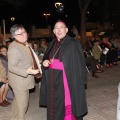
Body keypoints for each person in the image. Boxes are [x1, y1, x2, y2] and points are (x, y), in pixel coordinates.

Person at [39, 21, 88, 120]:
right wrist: (45, 62)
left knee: (66, 103)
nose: (59, 29)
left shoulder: (73, 43)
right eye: (56, 28)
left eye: (61, 27)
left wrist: (81, 82)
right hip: (53, 82)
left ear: (66, 30)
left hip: (66, 81)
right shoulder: (52, 43)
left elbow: (80, 65)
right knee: (54, 105)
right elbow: (46, 57)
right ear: (53, 31)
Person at [8, 24, 42, 120]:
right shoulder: (14, 48)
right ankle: (21, 118)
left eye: (25, 32)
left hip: (22, 80)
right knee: (23, 103)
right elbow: (11, 67)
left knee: (18, 101)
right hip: (19, 81)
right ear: (14, 36)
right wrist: (27, 71)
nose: (24, 35)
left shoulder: (23, 43)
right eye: (20, 34)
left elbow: (30, 58)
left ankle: (15, 117)